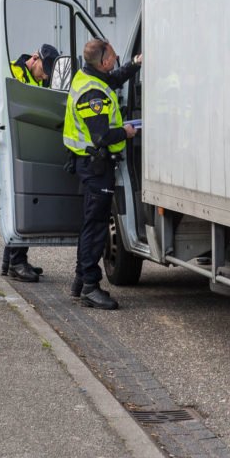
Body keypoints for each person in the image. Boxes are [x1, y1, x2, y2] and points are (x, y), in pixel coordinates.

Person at [63, 39, 142, 309]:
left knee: (90, 224)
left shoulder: (90, 77)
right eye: (114, 55)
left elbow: (113, 80)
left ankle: (79, 281)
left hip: (91, 165)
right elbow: (102, 135)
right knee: (95, 228)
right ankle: (90, 288)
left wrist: (135, 65)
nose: (117, 57)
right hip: (96, 166)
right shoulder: (92, 95)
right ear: (105, 61)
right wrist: (127, 132)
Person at [0, 43, 60, 283]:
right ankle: (17, 262)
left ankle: (10, 261)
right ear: (34, 58)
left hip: (22, 149)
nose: (44, 76)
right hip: (8, 153)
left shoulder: (34, 80)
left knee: (21, 208)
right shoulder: (9, 71)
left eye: (47, 74)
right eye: (43, 71)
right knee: (17, 209)